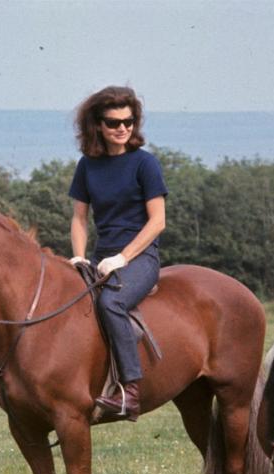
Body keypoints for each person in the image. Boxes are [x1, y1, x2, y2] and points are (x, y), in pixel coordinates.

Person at [68, 86, 168, 422]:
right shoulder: (87, 166)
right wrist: (79, 256)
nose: (123, 128)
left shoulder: (145, 163)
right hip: (101, 257)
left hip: (140, 258)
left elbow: (158, 222)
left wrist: (124, 258)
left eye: (129, 121)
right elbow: (79, 218)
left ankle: (131, 391)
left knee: (111, 303)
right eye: (114, 122)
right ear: (98, 125)